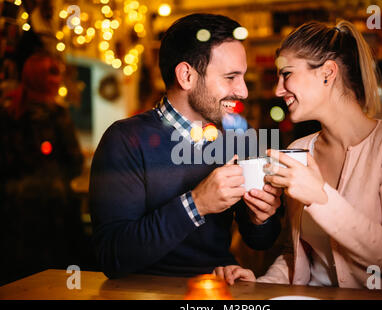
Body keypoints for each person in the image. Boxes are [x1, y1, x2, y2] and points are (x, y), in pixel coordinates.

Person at [214, 20, 382, 293]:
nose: (278, 89)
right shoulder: (300, 148)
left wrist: (320, 198)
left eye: (287, 74)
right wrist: (260, 284)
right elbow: (300, 257)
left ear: (328, 73)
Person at [89, 13, 282, 279]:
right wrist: (197, 203)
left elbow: (259, 240)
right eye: (230, 77)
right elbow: (111, 256)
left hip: (217, 293)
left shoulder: (238, 136)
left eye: (243, 77)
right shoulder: (125, 140)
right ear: (186, 76)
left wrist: (261, 218)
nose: (243, 91)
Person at [0, 52, 84, 285]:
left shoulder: (8, 112)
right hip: (52, 210)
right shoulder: (55, 115)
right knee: (56, 279)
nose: (58, 80)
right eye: (53, 73)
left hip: (13, 212)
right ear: (38, 78)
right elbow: (74, 160)